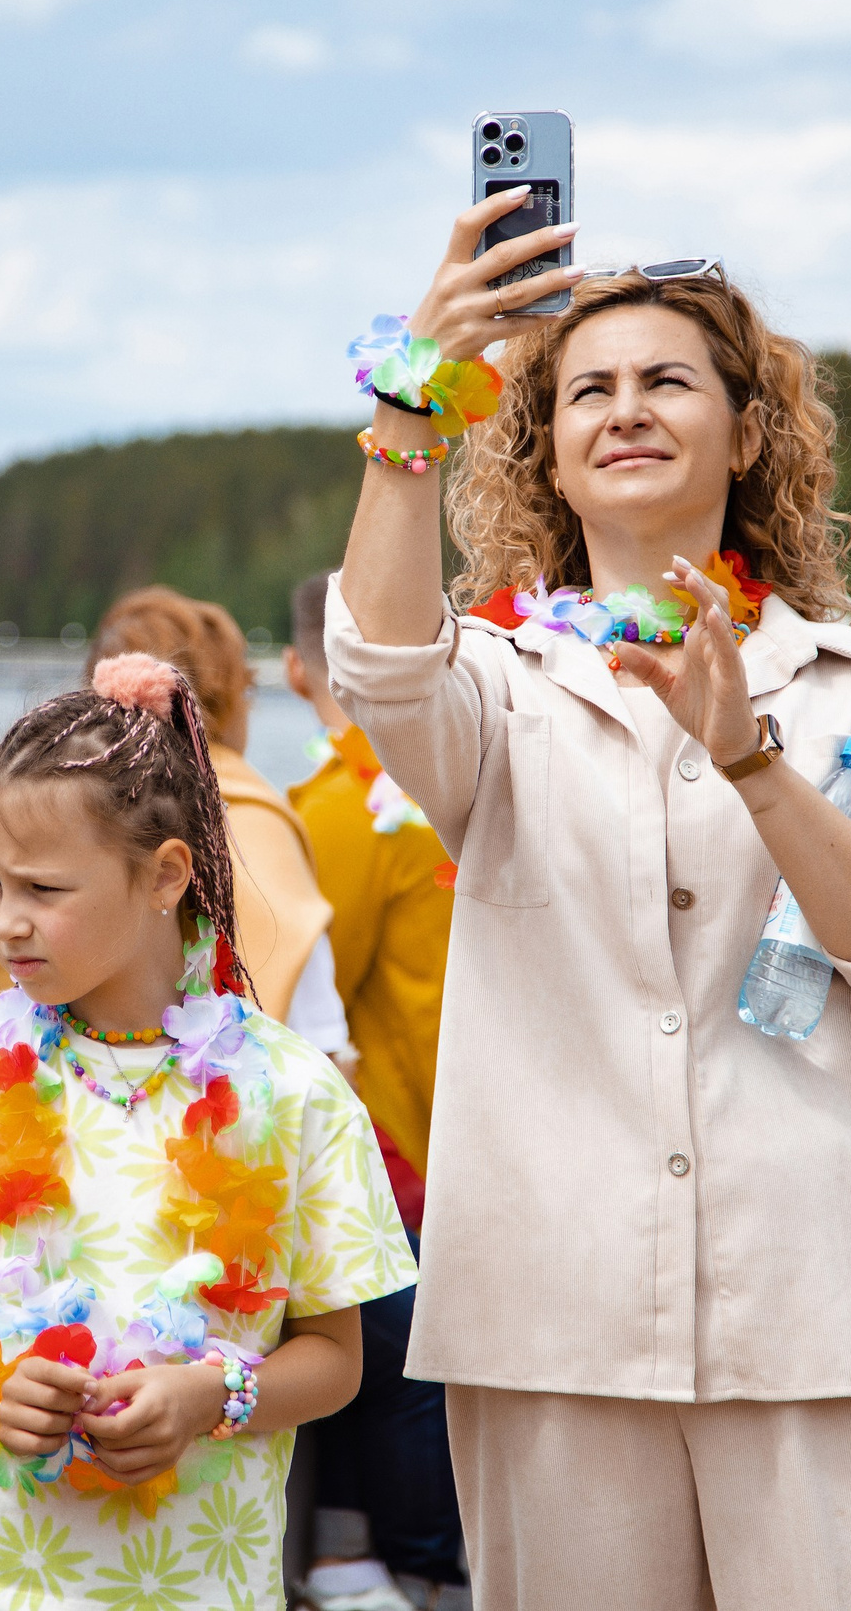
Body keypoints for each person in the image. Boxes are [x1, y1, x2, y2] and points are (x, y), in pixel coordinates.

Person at [331, 198, 851, 1607]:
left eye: (667, 380)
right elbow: (384, 663)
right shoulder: (494, 687)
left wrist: (754, 757)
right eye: (589, 391)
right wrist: (410, 402)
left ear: (747, 434)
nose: (626, 410)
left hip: (815, 1305)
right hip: (551, 1312)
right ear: (548, 450)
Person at [0, 654, 417, 1611]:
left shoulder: (294, 1091)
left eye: (44, 891)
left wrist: (210, 1398)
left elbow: (337, 1361)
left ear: (165, 876)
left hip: (199, 1584)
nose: (4, 924)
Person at [284, 569, 468, 1611]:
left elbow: (312, 987)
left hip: (422, 1140)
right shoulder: (396, 801)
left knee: (407, 1367)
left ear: (295, 666)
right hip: (424, 1141)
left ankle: (403, 1560)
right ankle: (410, 1563)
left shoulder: (345, 809)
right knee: (413, 1365)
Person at [0, 586, 341, 1048]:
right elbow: (322, 1033)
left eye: (43, 888)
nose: (9, 923)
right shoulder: (263, 826)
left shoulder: (48, 821)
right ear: (228, 697)